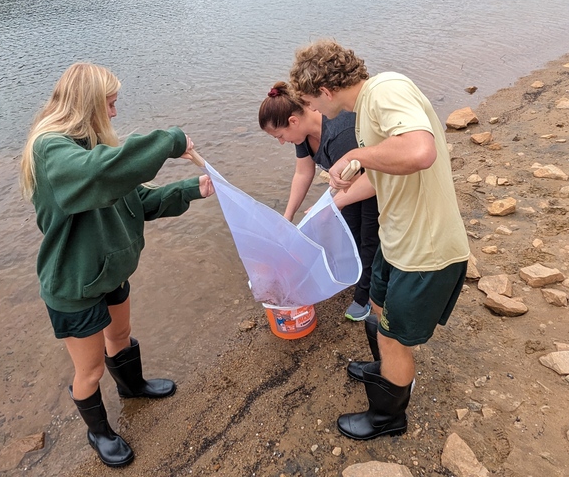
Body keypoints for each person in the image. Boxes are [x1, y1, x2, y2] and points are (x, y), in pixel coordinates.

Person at [19, 62, 214, 467]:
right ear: (86, 105)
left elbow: (135, 200)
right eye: (109, 104)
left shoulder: (90, 147)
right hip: (75, 283)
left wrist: (191, 188)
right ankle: (100, 432)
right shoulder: (51, 150)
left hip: (107, 272)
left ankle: (132, 386)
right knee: (88, 371)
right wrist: (168, 141)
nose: (114, 113)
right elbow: (102, 175)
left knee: (121, 334)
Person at [289, 40, 469, 441]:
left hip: (426, 249)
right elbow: (383, 172)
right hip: (397, 237)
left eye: (310, 101)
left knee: (391, 334)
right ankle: (387, 368)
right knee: (376, 303)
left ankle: (389, 418)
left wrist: (360, 156)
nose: (314, 111)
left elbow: (420, 151)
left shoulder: (386, 89)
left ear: (326, 91)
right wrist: (329, 206)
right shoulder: (364, 108)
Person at [258, 81, 380, 322]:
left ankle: (366, 297)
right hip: (347, 184)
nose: (282, 141)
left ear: (293, 121)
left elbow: (365, 180)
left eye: (280, 136)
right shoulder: (302, 136)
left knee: (369, 238)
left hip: (374, 183)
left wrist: (330, 205)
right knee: (347, 229)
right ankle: (355, 275)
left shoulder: (341, 133)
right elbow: (303, 173)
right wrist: (287, 217)